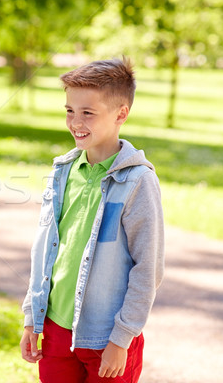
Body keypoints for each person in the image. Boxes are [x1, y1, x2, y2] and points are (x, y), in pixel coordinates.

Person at [19, 57, 164, 382]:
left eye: (88, 112)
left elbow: (148, 268)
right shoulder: (63, 172)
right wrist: (33, 316)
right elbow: (44, 249)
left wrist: (121, 338)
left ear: (121, 114)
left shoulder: (137, 181)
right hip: (56, 330)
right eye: (70, 110)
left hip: (106, 336)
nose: (75, 122)